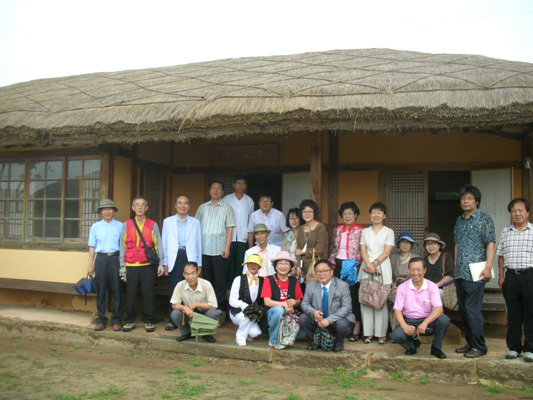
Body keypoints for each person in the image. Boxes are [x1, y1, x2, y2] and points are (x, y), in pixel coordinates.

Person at [454, 185, 495, 358]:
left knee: (472, 310)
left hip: (476, 272)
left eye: (469, 198)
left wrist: (488, 267)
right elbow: (456, 244)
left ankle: (480, 346)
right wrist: (455, 266)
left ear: (476, 201)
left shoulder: (484, 219)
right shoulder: (459, 221)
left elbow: (490, 243)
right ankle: (470, 342)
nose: (466, 201)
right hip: (461, 272)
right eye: (464, 198)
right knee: (464, 310)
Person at [390, 257, 450, 359]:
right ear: (409, 271)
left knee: (444, 320)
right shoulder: (402, 287)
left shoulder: (432, 286)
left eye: (419, 270)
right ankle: (412, 345)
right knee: (396, 335)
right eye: (412, 270)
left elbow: (439, 309)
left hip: (428, 321)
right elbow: (397, 309)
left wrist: (425, 323)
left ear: (424, 270)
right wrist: (404, 325)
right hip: (409, 321)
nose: (415, 273)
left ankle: (436, 348)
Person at [120, 196, 165, 333]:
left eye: (142, 205)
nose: (140, 207)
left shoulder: (152, 224)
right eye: (137, 205)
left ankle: (149, 319)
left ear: (146, 208)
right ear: (133, 208)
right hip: (131, 264)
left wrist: (161, 263)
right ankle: (130, 320)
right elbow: (122, 246)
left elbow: (158, 245)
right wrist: (122, 265)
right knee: (131, 293)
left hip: (147, 265)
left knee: (148, 293)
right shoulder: (126, 225)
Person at [497, 198, 533, 362]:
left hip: (529, 276)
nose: (517, 213)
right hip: (511, 276)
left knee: (530, 313)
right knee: (513, 313)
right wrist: (501, 276)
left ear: (527, 212)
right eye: (514, 211)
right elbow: (501, 255)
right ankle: (514, 347)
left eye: (521, 210)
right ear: (511, 214)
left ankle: (530, 348)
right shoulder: (506, 232)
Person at [161, 195, 202, 331]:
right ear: (175, 205)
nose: (182, 206)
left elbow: (198, 244)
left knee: (191, 289)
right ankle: (172, 320)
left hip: (189, 257)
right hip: (174, 257)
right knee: (174, 289)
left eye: (185, 203)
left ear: (189, 206)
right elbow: (164, 243)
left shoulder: (195, 222)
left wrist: (199, 263)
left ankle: (191, 319)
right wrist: (165, 262)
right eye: (179, 203)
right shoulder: (168, 222)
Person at [195, 180, 235, 311]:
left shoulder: (227, 208)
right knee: (206, 280)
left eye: (218, 189)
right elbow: (196, 226)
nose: (216, 191)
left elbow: (229, 229)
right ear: (209, 191)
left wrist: (227, 247)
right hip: (204, 250)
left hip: (219, 250)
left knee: (220, 280)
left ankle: (219, 308)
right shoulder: (202, 207)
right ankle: (207, 306)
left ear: (223, 192)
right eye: (213, 188)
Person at [300, 259, 355, 352]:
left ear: (332, 272)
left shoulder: (343, 286)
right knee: (303, 318)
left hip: (336, 319)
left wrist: (329, 320)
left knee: (342, 324)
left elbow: (347, 308)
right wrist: (313, 312)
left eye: (325, 271)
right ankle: (315, 341)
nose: (321, 274)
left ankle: (338, 342)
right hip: (319, 319)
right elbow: (304, 304)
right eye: (318, 271)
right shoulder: (310, 285)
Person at [359, 202, 394, 345]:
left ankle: (381, 335)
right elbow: (363, 250)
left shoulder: (388, 232)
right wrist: (368, 265)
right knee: (366, 300)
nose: (376, 215)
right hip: (366, 269)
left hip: (382, 268)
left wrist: (373, 265)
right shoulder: (365, 232)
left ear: (384, 216)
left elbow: (387, 252)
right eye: (373, 212)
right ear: (370, 214)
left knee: (381, 301)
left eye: (379, 213)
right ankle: (368, 333)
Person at [328, 201, 364, 342]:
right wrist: (331, 264)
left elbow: (362, 250)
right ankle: (341, 327)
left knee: (353, 297)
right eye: (344, 214)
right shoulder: (337, 229)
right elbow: (333, 248)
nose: (347, 216)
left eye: (350, 213)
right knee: (338, 297)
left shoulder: (361, 230)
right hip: (337, 264)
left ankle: (356, 328)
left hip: (353, 265)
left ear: (355, 215)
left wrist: (355, 263)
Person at [88, 199, 123, 331]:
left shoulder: (121, 226)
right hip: (101, 259)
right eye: (104, 209)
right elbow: (92, 246)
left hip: (116, 258)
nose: (107, 211)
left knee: (117, 290)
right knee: (101, 290)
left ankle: (117, 319)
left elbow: (124, 245)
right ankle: (101, 319)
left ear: (113, 211)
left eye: (110, 209)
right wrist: (90, 264)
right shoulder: (96, 227)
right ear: (101, 212)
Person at [261, 251, 304, 350]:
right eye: (280, 263)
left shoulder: (294, 281)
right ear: (275, 266)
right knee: (278, 311)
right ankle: (274, 340)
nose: (283, 266)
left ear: (290, 267)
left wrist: (294, 302)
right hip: (273, 313)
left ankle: (284, 336)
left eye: (286, 264)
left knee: (302, 333)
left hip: (290, 314)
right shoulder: (269, 280)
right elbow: (267, 302)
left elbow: (299, 300)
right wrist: (284, 305)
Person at [169, 262, 221, 343]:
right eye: (187, 274)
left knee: (213, 313)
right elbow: (174, 305)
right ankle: (187, 333)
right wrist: (185, 308)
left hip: (204, 313)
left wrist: (197, 304)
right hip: (189, 313)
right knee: (175, 314)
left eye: (193, 273)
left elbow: (214, 306)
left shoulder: (206, 284)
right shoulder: (180, 285)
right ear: (183, 274)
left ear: (198, 272)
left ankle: (207, 334)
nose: (190, 277)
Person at [229, 254, 266, 346]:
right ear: (247, 265)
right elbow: (232, 300)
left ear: (259, 266)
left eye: (255, 264)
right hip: (238, 312)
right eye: (250, 263)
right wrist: (243, 305)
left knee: (255, 332)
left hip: (254, 314)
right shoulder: (238, 279)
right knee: (247, 315)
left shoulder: (263, 280)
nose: (253, 266)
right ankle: (240, 337)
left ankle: (247, 332)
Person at [224, 175, 255, 282]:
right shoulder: (226, 199)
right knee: (226, 265)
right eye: (238, 183)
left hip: (243, 237)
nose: (240, 186)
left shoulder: (249, 201)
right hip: (228, 239)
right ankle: (223, 289)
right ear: (233, 185)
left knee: (239, 265)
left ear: (246, 186)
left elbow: (250, 220)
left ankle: (235, 288)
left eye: (243, 184)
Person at [389, 231, 417, 330]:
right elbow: (389, 274)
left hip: (410, 287)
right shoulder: (392, 257)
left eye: (408, 242)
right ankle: (394, 329)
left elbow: (416, 277)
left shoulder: (415, 258)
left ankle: (408, 328)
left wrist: (401, 288)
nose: (405, 245)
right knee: (392, 299)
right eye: (402, 242)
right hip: (394, 287)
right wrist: (393, 286)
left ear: (411, 245)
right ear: (398, 244)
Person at [295, 199, 327, 280]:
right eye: (304, 212)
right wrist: (298, 266)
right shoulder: (300, 228)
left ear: (314, 213)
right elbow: (297, 250)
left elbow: (320, 250)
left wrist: (303, 252)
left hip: (316, 265)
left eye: (310, 211)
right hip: (303, 266)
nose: (307, 214)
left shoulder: (320, 227)